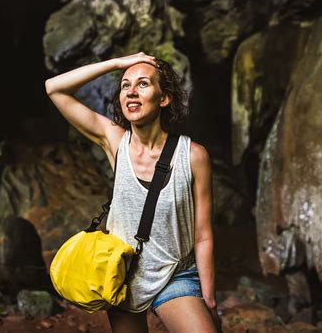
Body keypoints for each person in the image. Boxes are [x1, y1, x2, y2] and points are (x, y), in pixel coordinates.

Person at [45, 52, 220, 333]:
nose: (131, 92)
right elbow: (54, 87)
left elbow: (203, 234)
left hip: (174, 273)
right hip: (124, 275)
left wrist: (209, 298)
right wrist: (117, 64)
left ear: (164, 98)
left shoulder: (193, 157)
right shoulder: (115, 141)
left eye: (143, 84)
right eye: (126, 86)